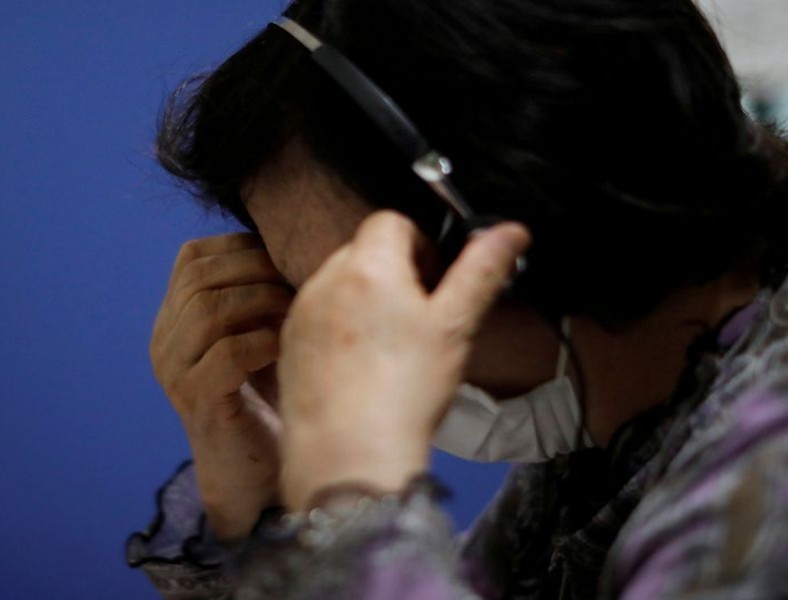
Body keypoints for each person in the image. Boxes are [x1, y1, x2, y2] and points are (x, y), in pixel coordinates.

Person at [128, 0, 788, 597]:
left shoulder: (769, 469)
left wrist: (348, 492)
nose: (320, 357)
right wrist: (257, 508)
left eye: (366, 297)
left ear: (525, 233)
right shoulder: (613, 452)